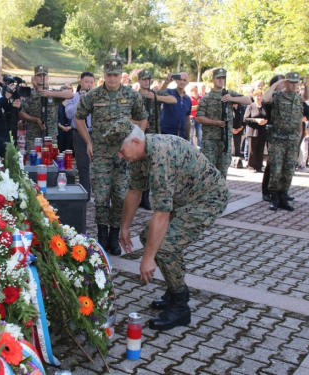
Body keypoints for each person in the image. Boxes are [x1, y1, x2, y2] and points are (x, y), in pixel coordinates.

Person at [107, 119, 228, 330]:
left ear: (135, 141)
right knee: (149, 239)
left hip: (208, 199)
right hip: (186, 199)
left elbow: (161, 214)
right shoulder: (140, 153)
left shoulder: (160, 157)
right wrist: (124, 228)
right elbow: (134, 191)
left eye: (120, 150)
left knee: (164, 247)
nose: (119, 155)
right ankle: (174, 291)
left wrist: (147, 258)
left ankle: (181, 307)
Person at [74, 57, 148, 256]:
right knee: (101, 197)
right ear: (104, 75)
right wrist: (88, 141)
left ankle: (115, 237)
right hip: (101, 155)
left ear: (121, 75)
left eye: (116, 75)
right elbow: (78, 116)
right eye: (109, 75)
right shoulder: (94, 95)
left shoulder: (131, 95)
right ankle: (102, 236)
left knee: (119, 196)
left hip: (124, 157)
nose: (112, 78)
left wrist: (136, 141)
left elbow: (143, 117)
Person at [262, 72, 309, 211]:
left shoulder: (297, 97)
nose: (294, 85)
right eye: (291, 82)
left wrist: (307, 86)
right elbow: (265, 98)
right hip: (278, 138)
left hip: (291, 139)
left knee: (289, 170)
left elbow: (307, 96)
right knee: (276, 170)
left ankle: (284, 196)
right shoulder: (278, 96)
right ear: (286, 83)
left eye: (296, 82)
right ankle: (274, 198)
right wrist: (276, 84)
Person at [196, 68, 252, 178]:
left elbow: (248, 101)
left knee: (223, 170)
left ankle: (220, 194)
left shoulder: (229, 94)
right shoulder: (206, 98)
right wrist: (214, 122)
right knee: (208, 170)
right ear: (213, 79)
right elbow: (199, 118)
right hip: (210, 141)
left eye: (223, 78)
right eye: (218, 78)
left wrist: (231, 98)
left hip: (225, 140)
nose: (221, 80)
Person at [137, 69, 177, 210]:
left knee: (150, 167)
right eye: (144, 79)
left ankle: (145, 198)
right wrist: (138, 122)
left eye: (148, 79)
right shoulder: (135, 96)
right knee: (137, 168)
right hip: (139, 135)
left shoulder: (154, 94)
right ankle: (137, 197)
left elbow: (173, 100)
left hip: (154, 136)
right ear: (139, 81)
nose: (146, 81)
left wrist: (155, 97)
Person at [19, 65, 74, 151]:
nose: (42, 78)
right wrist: (35, 119)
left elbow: (70, 95)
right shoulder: (29, 95)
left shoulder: (53, 93)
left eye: (44, 75)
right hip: (34, 137)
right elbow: (21, 113)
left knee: (51, 161)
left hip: (51, 137)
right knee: (34, 161)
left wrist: (50, 94)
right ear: (35, 77)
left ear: (48, 77)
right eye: (39, 75)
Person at [66, 72, 95, 199]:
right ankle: (86, 194)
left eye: (91, 82)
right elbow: (68, 113)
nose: (88, 84)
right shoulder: (74, 96)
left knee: (98, 165)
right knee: (82, 165)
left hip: (94, 133)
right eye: (86, 81)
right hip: (78, 133)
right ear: (80, 82)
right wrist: (81, 102)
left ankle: (99, 193)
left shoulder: (96, 97)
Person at [159, 72, 192, 139]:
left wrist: (188, 138)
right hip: (166, 134)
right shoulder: (169, 92)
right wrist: (166, 83)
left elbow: (187, 120)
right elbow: (159, 95)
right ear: (176, 81)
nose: (182, 82)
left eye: (184, 80)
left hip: (181, 136)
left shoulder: (188, 99)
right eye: (180, 79)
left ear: (187, 83)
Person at [243, 89, 268, 172]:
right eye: (257, 95)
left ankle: (259, 166)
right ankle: (251, 166)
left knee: (260, 149)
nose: (259, 97)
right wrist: (256, 120)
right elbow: (245, 119)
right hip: (253, 131)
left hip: (262, 131)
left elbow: (268, 117)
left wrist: (265, 121)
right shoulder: (251, 106)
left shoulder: (264, 106)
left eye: (260, 95)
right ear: (254, 96)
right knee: (252, 150)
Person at [57, 85, 74, 152]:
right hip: (60, 130)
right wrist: (61, 127)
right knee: (59, 148)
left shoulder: (71, 103)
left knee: (68, 150)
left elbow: (74, 115)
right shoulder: (58, 104)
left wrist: (70, 126)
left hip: (70, 130)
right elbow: (55, 116)